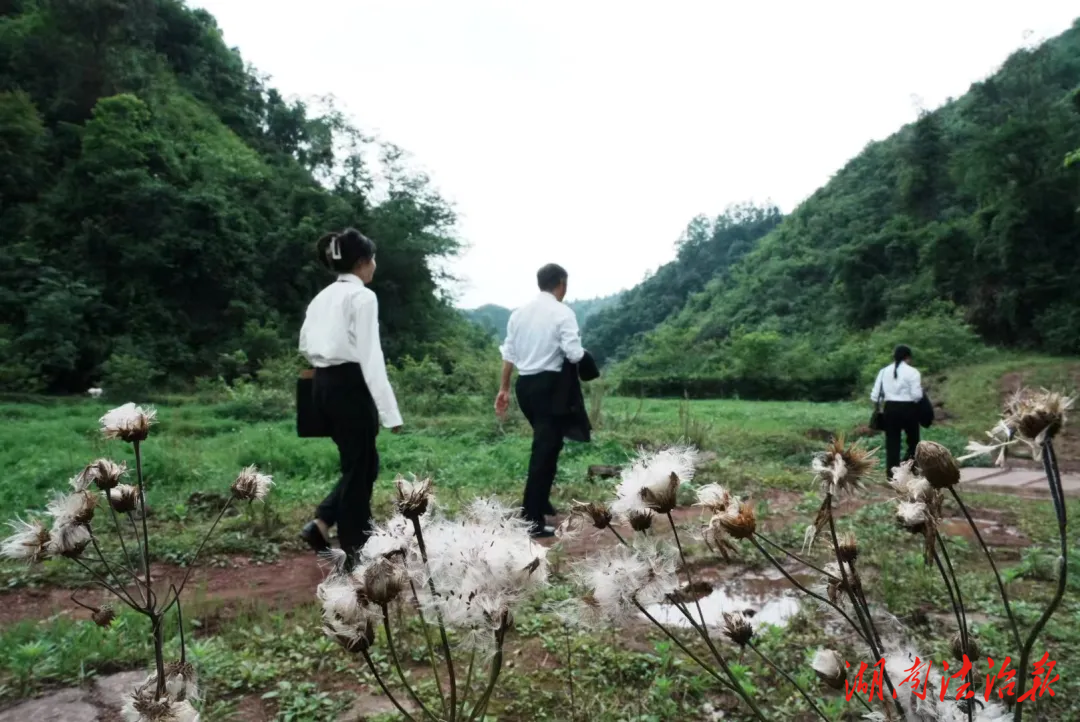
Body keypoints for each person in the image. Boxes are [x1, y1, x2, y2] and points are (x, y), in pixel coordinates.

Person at [298, 228, 403, 561]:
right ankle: (356, 550)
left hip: (322, 385)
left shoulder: (322, 297)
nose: (375, 265)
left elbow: (304, 344)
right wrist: (391, 413)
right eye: (372, 259)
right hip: (350, 385)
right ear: (362, 262)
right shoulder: (362, 297)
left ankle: (323, 521)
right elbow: (371, 358)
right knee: (360, 469)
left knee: (362, 465)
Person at [496, 264, 593, 538]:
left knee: (548, 444)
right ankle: (531, 519)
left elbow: (509, 354)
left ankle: (540, 500)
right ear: (561, 283)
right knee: (544, 451)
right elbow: (573, 354)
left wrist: (503, 389)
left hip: (524, 387)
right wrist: (588, 359)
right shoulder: (563, 312)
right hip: (550, 389)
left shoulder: (519, 314)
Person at [871, 344, 923, 479]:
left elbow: (875, 396)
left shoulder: (883, 372)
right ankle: (909, 468)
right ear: (908, 357)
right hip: (909, 409)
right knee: (913, 441)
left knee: (892, 443)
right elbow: (917, 395)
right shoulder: (913, 372)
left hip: (890, 409)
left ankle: (891, 474)